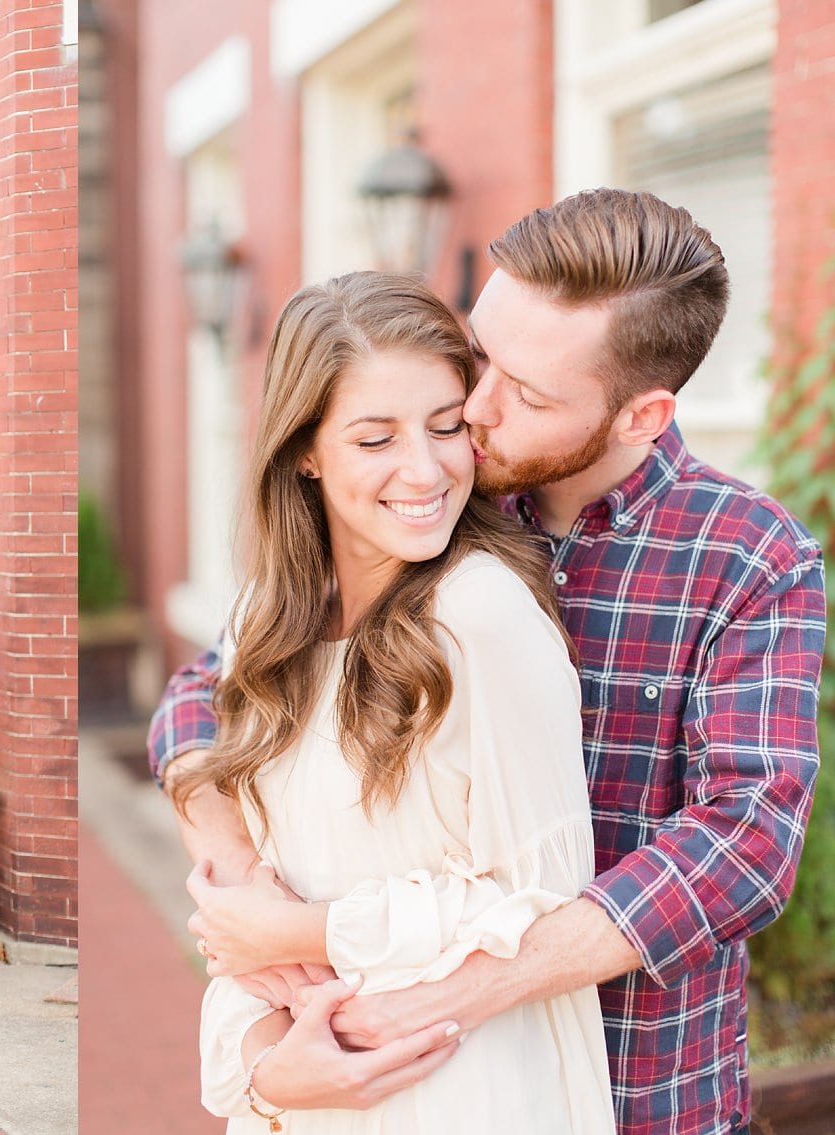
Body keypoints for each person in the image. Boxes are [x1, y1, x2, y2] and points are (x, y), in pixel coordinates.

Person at [150, 189, 825, 1135]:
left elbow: (746, 842)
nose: (473, 408)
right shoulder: (435, 504)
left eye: (528, 393)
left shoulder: (746, 554)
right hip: (404, 1083)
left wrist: (447, 994)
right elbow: (214, 683)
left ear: (642, 414)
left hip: (640, 1088)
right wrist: (236, 877)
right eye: (480, 356)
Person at [172, 271, 614, 1131]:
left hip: (470, 1088)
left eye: (446, 426)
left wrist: (302, 933)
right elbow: (239, 929)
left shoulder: (479, 614)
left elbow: (547, 901)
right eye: (375, 438)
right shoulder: (262, 621)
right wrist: (266, 1066)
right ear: (304, 449)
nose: (426, 469)